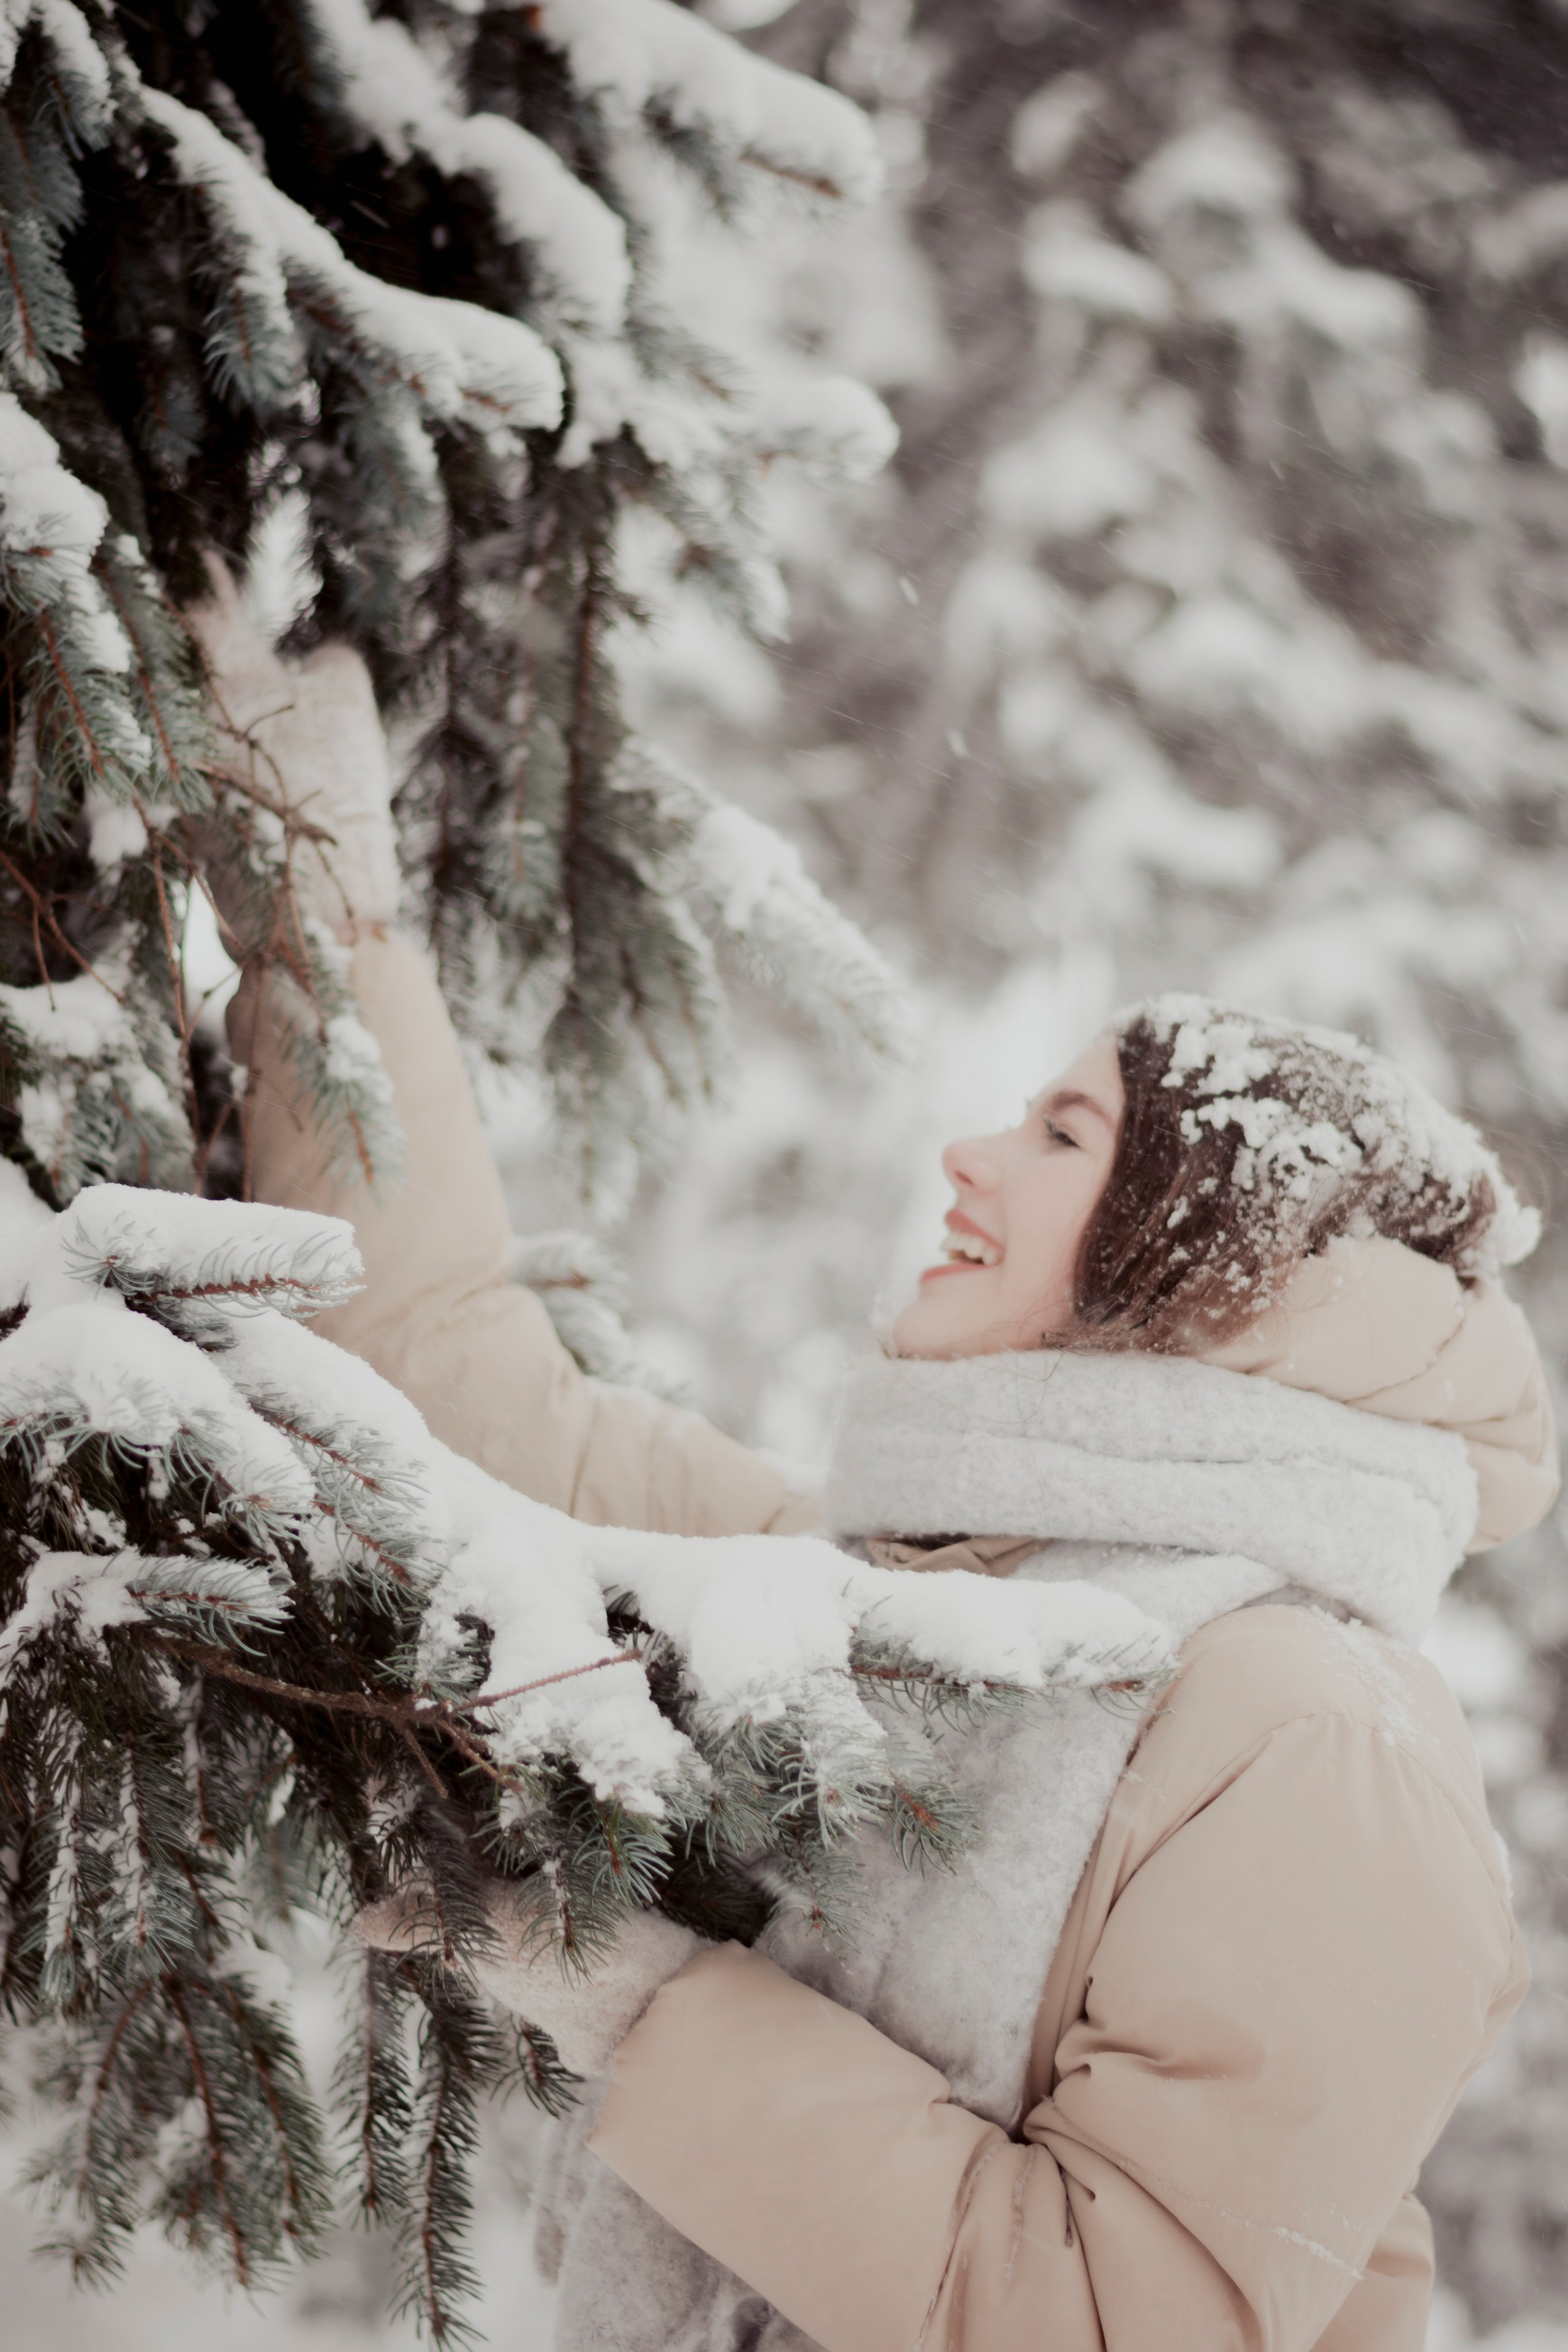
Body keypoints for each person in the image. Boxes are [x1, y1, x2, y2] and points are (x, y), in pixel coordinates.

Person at [193, 581, 1558, 2352]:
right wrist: (322, 902)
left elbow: (1119, 2322)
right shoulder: (896, 1602)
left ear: (1205, 1262)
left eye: (1065, 1133)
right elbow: (450, 1376)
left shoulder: (1316, 1733)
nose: (972, 1156)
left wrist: (650, 2008)